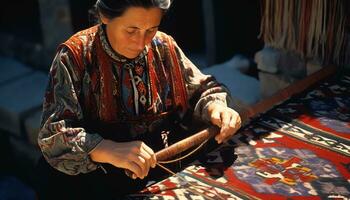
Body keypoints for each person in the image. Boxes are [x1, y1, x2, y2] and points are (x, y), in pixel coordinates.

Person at [36, 0, 241, 199]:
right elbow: (53, 135)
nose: (142, 42)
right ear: (105, 16)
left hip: (154, 168)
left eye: (151, 29)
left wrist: (216, 108)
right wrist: (108, 149)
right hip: (93, 181)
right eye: (131, 30)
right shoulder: (75, 56)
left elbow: (201, 90)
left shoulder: (163, 45)